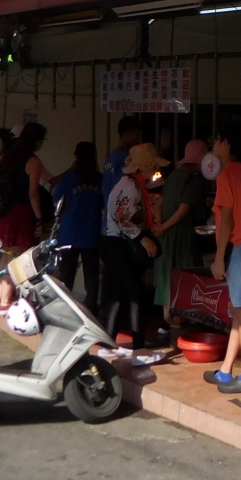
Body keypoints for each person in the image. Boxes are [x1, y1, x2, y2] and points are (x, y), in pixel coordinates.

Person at [204, 129, 241, 393]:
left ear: (226, 144)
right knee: (240, 311)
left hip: (240, 245)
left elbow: (227, 219)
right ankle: (226, 371)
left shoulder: (226, 175)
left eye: (217, 141)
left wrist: (219, 258)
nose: (213, 145)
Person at [0, 122, 51, 309]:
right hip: (21, 215)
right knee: (18, 260)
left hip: (3, 214)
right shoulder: (33, 162)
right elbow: (33, 193)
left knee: (5, 258)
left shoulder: (7, 156)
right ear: (36, 141)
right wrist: (40, 219)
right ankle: (7, 302)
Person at [101, 142, 164, 352]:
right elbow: (122, 217)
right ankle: (138, 348)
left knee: (119, 296)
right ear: (142, 166)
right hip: (118, 244)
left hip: (114, 244)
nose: (157, 169)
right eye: (154, 165)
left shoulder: (130, 183)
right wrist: (142, 238)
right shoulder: (131, 186)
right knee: (135, 295)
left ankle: (108, 344)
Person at [153, 140, 210, 340]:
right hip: (181, 235)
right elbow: (183, 210)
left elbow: (159, 204)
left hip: (165, 236)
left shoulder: (172, 177)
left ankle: (165, 322)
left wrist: (160, 225)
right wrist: (166, 226)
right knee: (184, 275)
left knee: (166, 274)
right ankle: (181, 319)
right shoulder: (192, 182)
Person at [53, 141, 104, 314]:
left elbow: (57, 201)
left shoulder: (69, 178)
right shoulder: (100, 179)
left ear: (77, 157)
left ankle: (64, 309)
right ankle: (91, 310)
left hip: (69, 233)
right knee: (92, 276)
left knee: (66, 275)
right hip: (92, 233)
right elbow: (105, 204)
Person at [103, 116, 144, 201]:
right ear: (127, 134)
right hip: (120, 207)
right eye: (137, 135)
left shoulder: (111, 158)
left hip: (109, 207)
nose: (138, 139)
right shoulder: (126, 159)